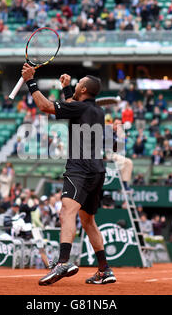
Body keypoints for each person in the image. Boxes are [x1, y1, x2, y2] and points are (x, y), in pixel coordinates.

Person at [21, 63, 116, 285]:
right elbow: (72, 107)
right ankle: (104, 270)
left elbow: (45, 106)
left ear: (83, 90)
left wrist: (30, 81)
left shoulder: (80, 108)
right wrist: (66, 89)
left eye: (78, 83)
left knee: (66, 212)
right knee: (88, 221)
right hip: (97, 170)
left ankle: (63, 262)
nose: (76, 84)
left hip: (79, 169)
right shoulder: (97, 111)